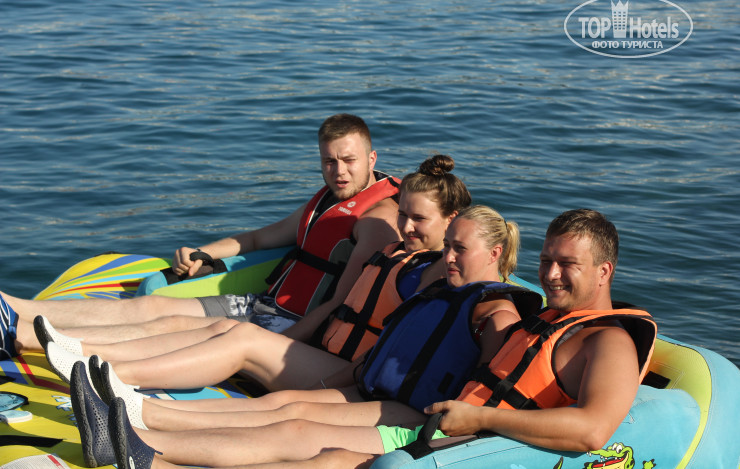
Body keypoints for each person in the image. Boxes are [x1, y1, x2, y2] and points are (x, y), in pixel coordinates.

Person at [95, 209, 655, 469]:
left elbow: (592, 430)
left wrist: (480, 417)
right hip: (447, 427)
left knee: (322, 451)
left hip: (473, 441)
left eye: (567, 265)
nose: (551, 274)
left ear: (604, 271)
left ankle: (150, 454)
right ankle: (140, 434)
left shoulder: (608, 342)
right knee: (297, 427)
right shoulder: (547, 322)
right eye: (547, 260)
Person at [44, 155, 472, 409]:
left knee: (243, 341)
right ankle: (80, 352)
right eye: (402, 214)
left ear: (451, 220)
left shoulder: (443, 277)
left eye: (418, 219)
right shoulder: (397, 253)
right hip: (325, 354)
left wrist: (317, 375)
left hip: (349, 377)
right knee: (222, 329)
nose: (406, 226)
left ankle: (108, 379)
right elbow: (341, 307)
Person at [0, 114, 402, 358]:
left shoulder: (375, 219)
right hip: (262, 305)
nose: (339, 171)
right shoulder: (328, 201)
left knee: (170, 328)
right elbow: (259, 239)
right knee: (151, 307)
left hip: (293, 327)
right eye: (329, 161)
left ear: (371, 158)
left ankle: (28, 340)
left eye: (349, 160)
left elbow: (338, 303)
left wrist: (283, 345)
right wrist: (203, 253)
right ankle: (15, 308)